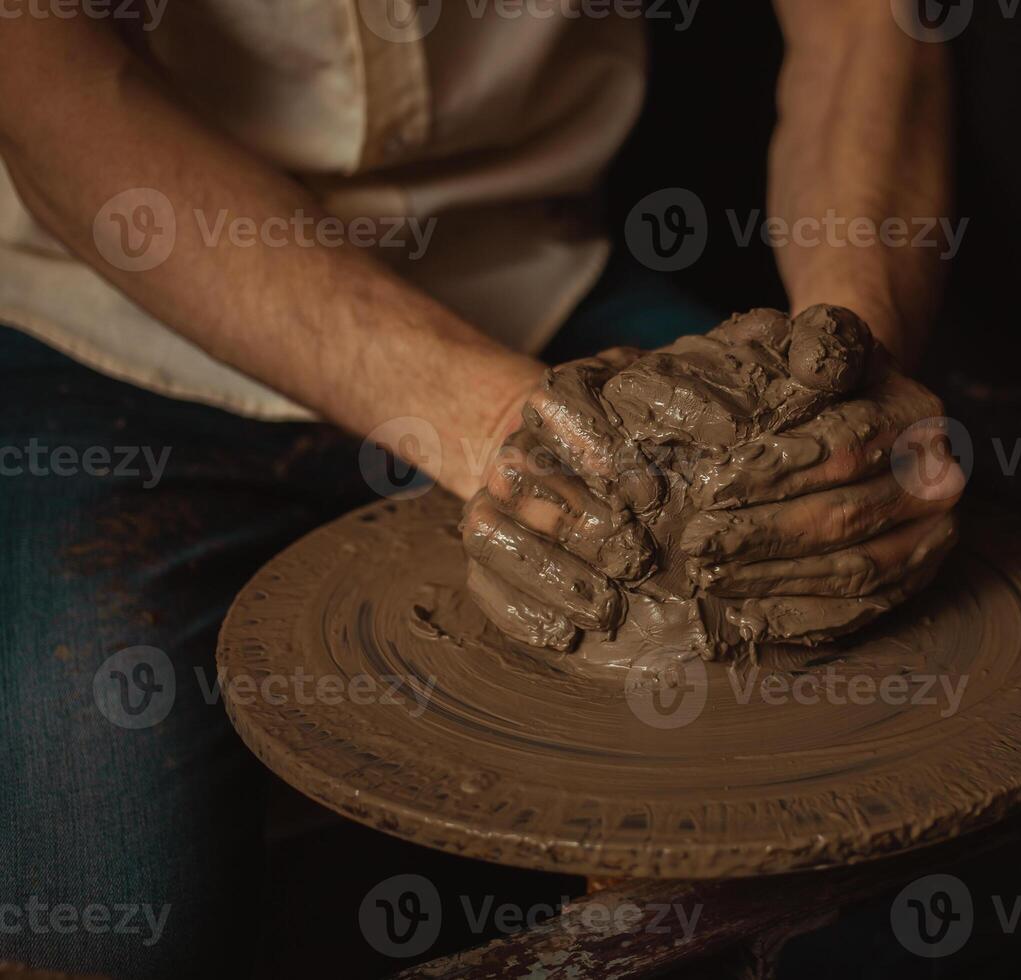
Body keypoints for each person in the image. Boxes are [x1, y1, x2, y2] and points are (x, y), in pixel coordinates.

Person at [0, 3, 960, 974]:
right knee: (109, 887)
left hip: (529, 274)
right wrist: (495, 424)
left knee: (885, 767)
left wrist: (850, 361)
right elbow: (48, 78)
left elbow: (859, 27)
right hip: (101, 318)